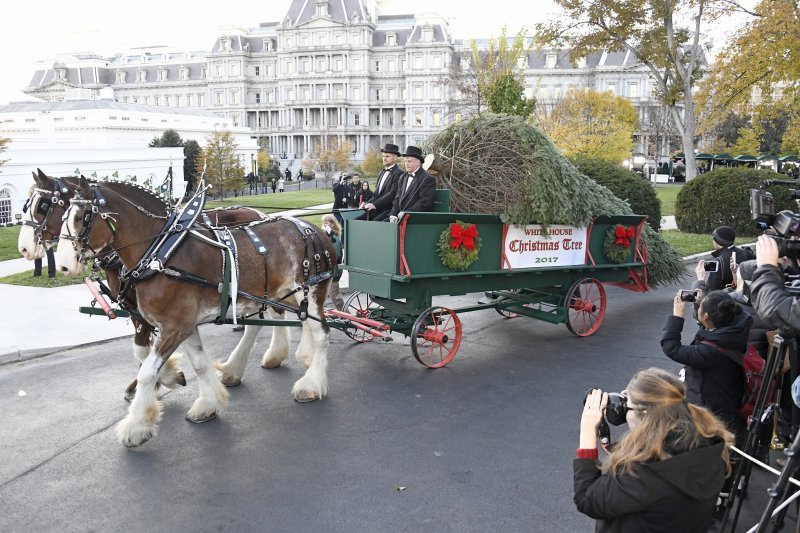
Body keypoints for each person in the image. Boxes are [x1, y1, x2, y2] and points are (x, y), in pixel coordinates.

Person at [575, 368, 734, 532]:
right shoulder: (708, 446)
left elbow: (586, 499)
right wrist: (634, 400)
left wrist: (587, 431)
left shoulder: (645, 473)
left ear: (644, 413)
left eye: (627, 406)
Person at [661, 290, 750, 437]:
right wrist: (702, 297)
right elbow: (707, 326)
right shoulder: (734, 329)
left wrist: (677, 316)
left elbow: (671, 348)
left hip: (712, 414)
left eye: (701, 308)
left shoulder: (709, 352)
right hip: (728, 400)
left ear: (706, 316)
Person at [388, 145, 436, 223]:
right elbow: (397, 198)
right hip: (400, 218)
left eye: (409, 161)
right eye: (405, 161)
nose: (406, 164)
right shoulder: (402, 177)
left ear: (418, 162)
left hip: (417, 219)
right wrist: (393, 214)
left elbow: (424, 203)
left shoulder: (427, 179)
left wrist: (406, 213)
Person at [361, 143, 403, 221]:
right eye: (383, 156)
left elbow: (392, 194)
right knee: (352, 220)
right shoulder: (381, 172)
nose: (384, 158)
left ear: (395, 158)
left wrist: (374, 204)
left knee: (374, 224)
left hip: (388, 210)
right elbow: (376, 193)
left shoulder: (399, 173)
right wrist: (367, 203)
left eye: (387, 156)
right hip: (376, 209)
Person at [703, 226, 752, 292]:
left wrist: (701, 279)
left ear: (717, 241)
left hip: (725, 299)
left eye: (713, 238)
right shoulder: (745, 252)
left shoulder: (716, 262)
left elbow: (712, 290)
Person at [321, 214, 345, 311]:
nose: (325, 223)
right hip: (328, 272)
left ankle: (346, 314)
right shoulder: (327, 237)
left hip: (333, 273)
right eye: (324, 222)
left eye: (328, 221)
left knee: (335, 296)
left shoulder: (334, 239)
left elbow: (335, 256)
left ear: (333, 224)